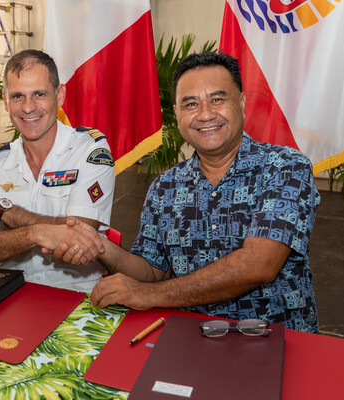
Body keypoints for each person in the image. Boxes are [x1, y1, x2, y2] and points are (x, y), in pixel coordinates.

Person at [54, 52, 320, 332]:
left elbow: (259, 264)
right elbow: (151, 270)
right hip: (191, 337)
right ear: (178, 114)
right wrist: (101, 247)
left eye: (217, 100)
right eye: (191, 104)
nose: (205, 114)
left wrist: (149, 295)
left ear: (241, 103)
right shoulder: (165, 186)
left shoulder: (285, 167)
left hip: (277, 337)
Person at [0, 50, 115, 293]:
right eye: (17, 96)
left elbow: (79, 234)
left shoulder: (90, 150)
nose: (28, 107)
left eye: (39, 94)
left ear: (60, 95)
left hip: (79, 293)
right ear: (5, 100)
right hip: (11, 292)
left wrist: (0, 207)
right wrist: (36, 233)